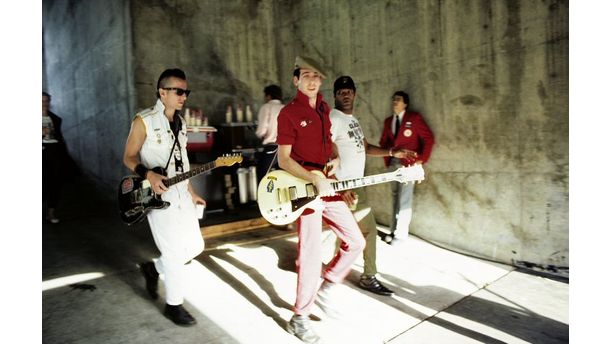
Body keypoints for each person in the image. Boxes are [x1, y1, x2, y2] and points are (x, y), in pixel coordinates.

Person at [277, 57, 366, 344]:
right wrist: (313, 177)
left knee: (356, 241)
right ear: (296, 80)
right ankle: (299, 317)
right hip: (305, 188)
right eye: (306, 75)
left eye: (316, 75)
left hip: (326, 185)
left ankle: (327, 289)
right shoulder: (288, 113)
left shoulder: (325, 110)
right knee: (311, 254)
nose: (312, 80)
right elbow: (284, 159)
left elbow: (326, 146)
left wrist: (335, 156)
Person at [123, 68, 206, 326]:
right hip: (157, 197)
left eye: (186, 91)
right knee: (172, 252)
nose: (184, 96)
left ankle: (153, 269)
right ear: (162, 92)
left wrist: (192, 192)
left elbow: (183, 163)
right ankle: (174, 306)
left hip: (182, 194)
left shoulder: (181, 124)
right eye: (179, 91)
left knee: (195, 247)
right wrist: (148, 175)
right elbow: (129, 157)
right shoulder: (144, 120)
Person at [330, 76, 411, 296]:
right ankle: (357, 276)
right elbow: (326, 151)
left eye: (349, 91)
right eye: (341, 92)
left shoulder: (352, 120)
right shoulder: (333, 119)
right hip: (343, 188)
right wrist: (339, 186)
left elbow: (364, 147)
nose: (346, 95)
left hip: (357, 186)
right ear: (335, 96)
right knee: (359, 232)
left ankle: (346, 274)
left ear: (355, 94)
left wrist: (393, 152)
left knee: (353, 232)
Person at [379, 91, 435, 245]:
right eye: (394, 99)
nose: (395, 102)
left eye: (398, 100)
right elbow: (383, 142)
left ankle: (401, 235)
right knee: (395, 198)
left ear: (405, 103)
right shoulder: (388, 121)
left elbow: (429, 138)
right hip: (393, 165)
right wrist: (387, 160)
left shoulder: (414, 118)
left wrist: (421, 160)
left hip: (409, 165)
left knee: (405, 199)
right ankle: (392, 230)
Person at [42, 92, 78, 224]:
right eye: (41, 100)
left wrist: (65, 153)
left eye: (46, 100)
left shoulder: (55, 118)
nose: (44, 103)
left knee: (55, 183)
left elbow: (60, 137)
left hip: (55, 152)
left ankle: (51, 213)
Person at [254, 84, 284, 180]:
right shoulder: (286, 108)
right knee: (283, 179)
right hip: (286, 150)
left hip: (271, 148)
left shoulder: (266, 107)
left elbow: (261, 130)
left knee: (263, 178)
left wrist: (260, 135)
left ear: (268, 96)